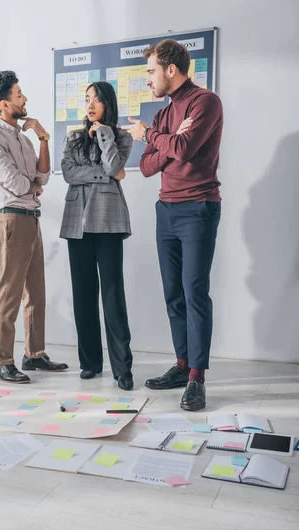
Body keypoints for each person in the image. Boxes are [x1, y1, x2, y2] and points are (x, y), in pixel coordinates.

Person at [123, 40, 223, 411]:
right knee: (173, 294)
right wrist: (170, 139)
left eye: (150, 71)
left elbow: (183, 150)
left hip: (198, 207)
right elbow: (147, 167)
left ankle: (197, 378)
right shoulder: (166, 115)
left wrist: (151, 136)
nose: (147, 79)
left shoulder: (205, 102)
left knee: (195, 293)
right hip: (166, 209)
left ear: (170, 69)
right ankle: (182, 365)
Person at [0, 70, 68, 383]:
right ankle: (1, 361)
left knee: (37, 293)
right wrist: (32, 185)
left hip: (31, 219)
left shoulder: (23, 137)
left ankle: (35, 354)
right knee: (10, 293)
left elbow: (42, 177)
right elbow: (16, 184)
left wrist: (43, 137)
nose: (24, 98)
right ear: (4, 104)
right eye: (19, 94)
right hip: (12, 219)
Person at [60, 81, 134, 391]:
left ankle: (122, 368)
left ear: (108, 104)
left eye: (96, 100)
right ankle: (90, 362)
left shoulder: (121, 137)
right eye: (86, 99)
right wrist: (101, 174)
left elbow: (116, 168)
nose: (90, 105)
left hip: (108, 221)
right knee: (83, 296)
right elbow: (67, 172)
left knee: (113, 296)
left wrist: (103, 134)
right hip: (77, 221)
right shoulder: (73, 137)